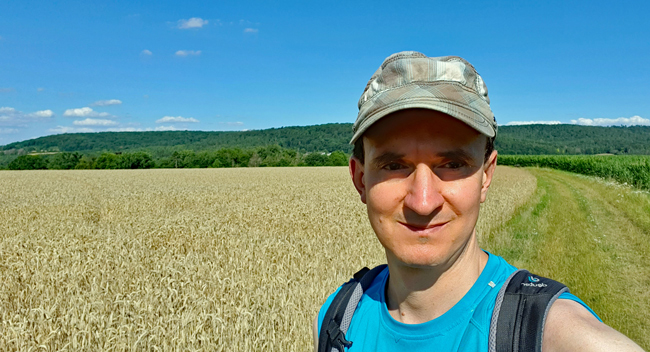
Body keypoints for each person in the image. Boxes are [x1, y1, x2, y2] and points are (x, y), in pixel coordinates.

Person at [313, 51, 643, 351]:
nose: (423, 202)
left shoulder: (552, 335)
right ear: (360, 179)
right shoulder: (337, 318)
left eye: (453, 165)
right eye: (393, 165)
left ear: (486, 175)